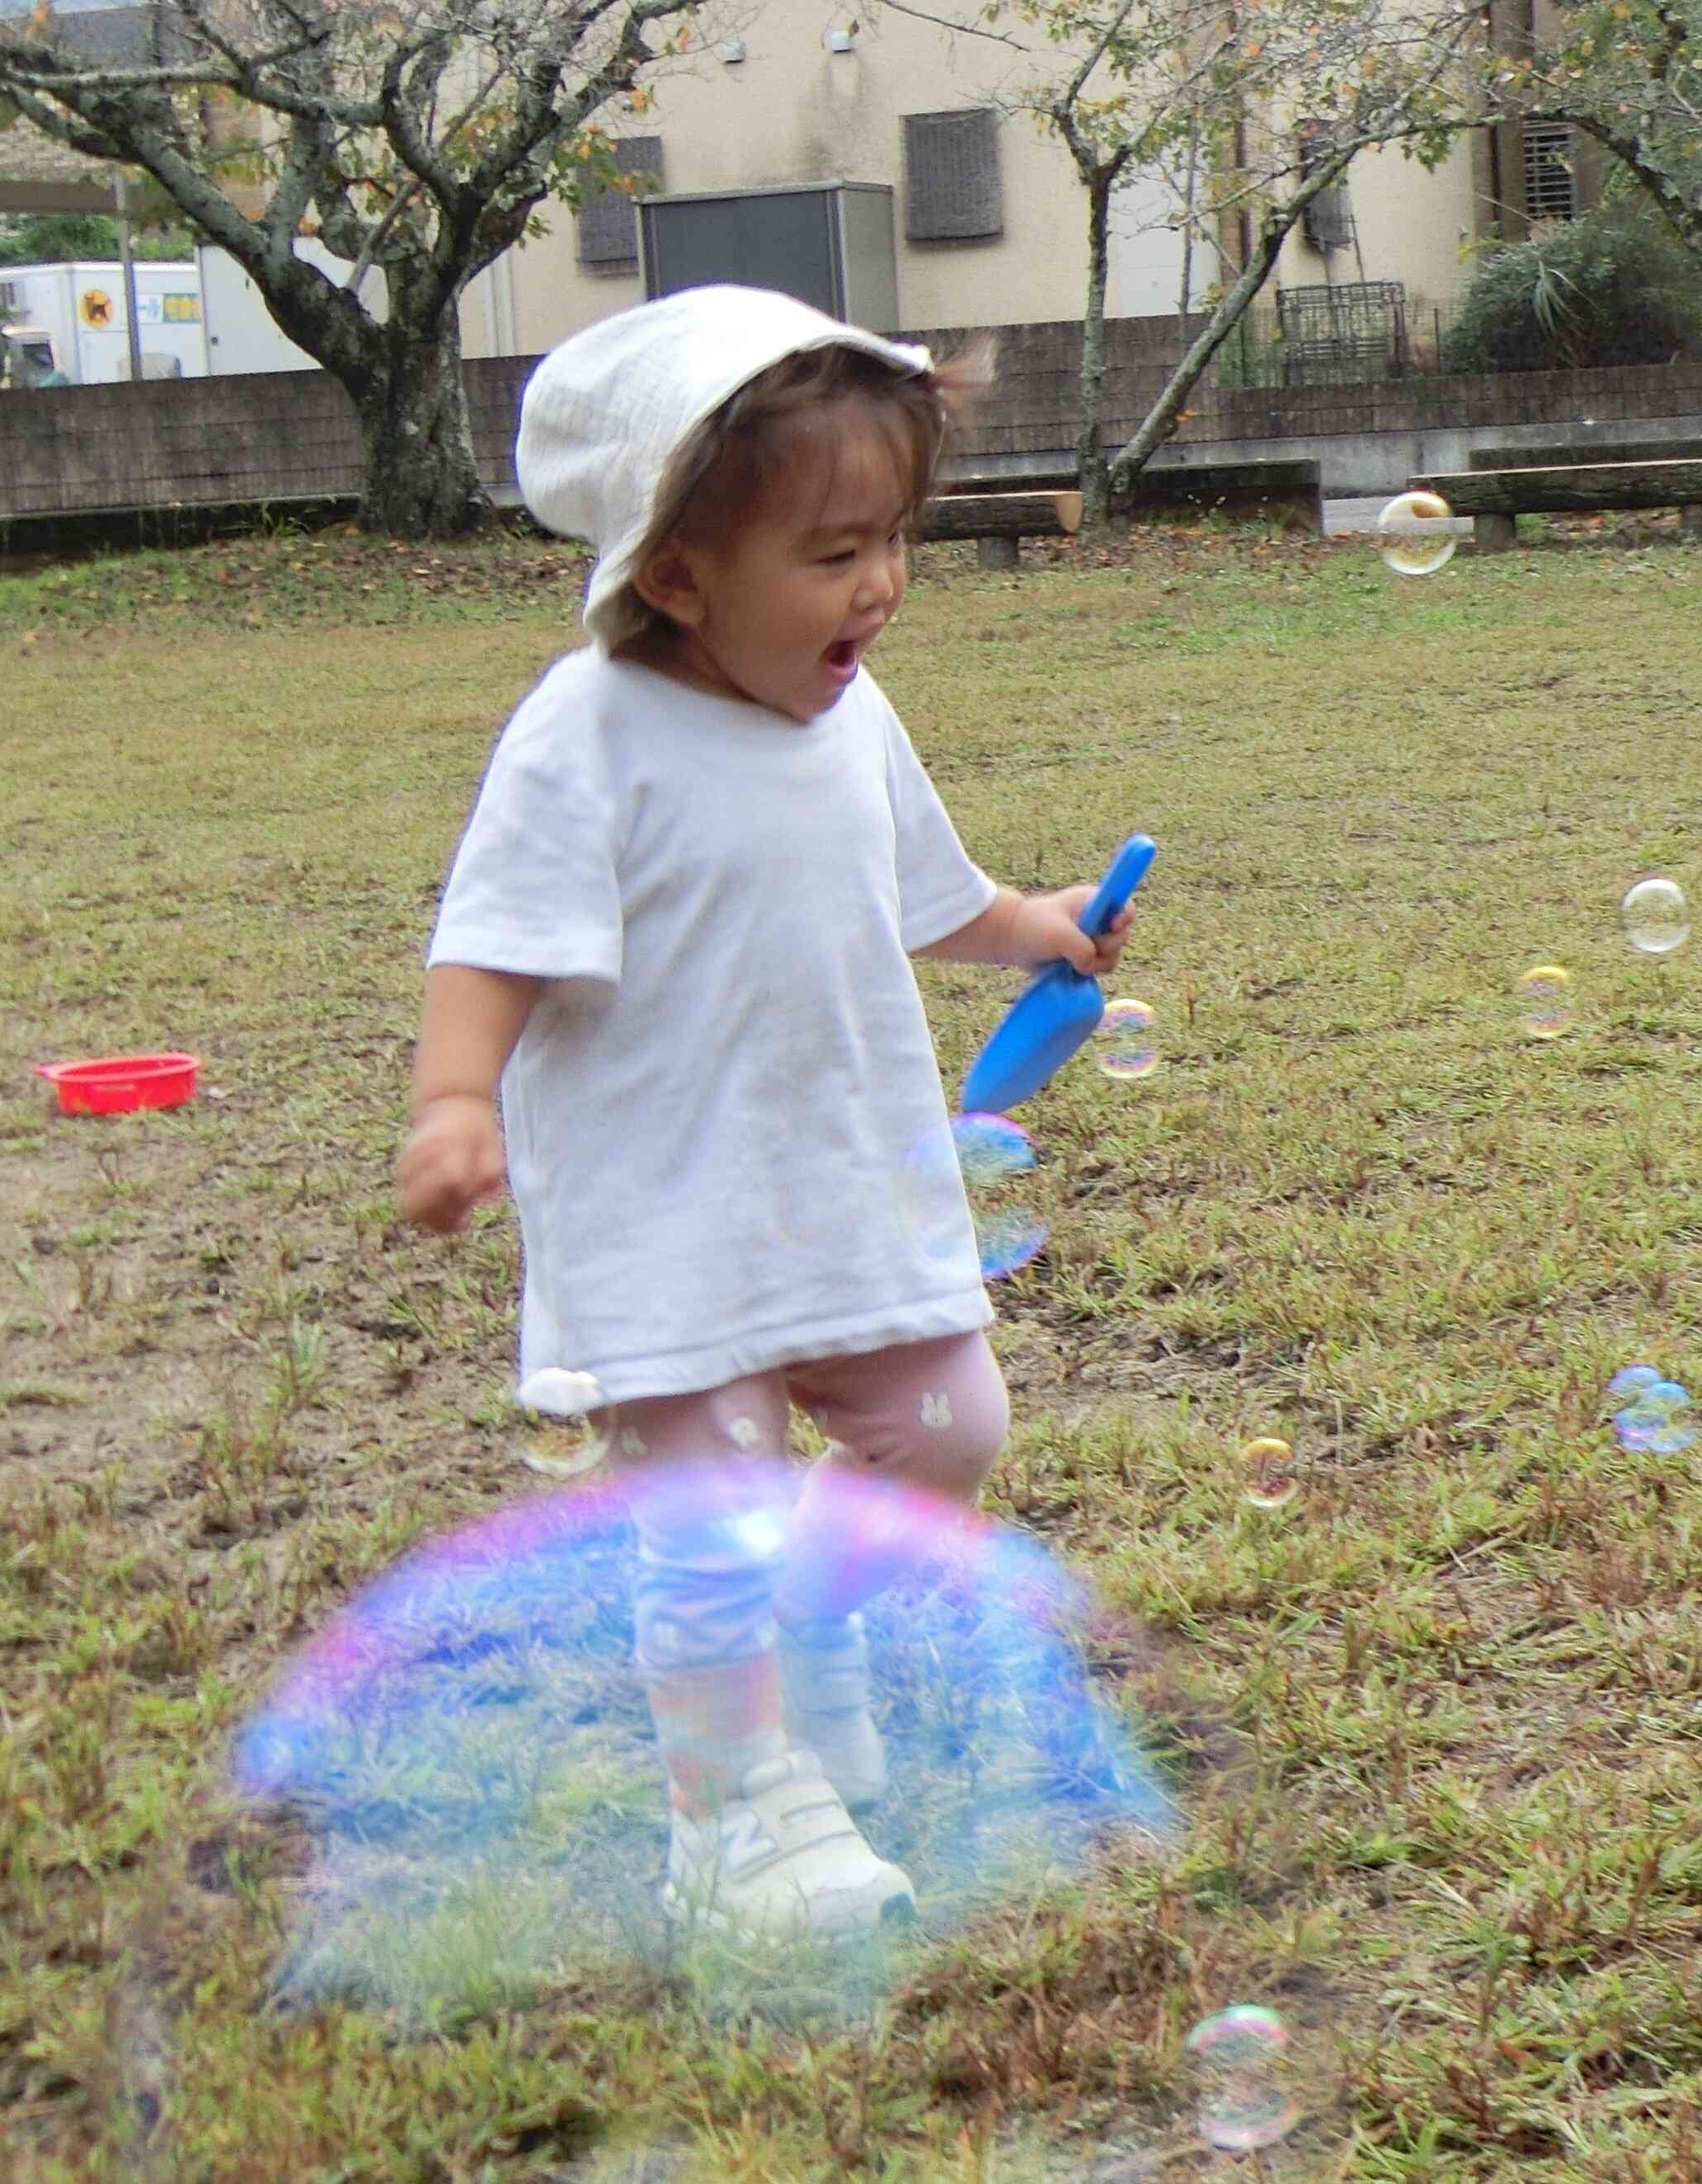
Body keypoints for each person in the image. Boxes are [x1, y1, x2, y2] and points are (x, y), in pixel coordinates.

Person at [393, 285, 1135, 1942]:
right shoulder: (586, 734)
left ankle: (817, 1638)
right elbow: (491, 938)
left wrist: (1039, 922)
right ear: (675, 574)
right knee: (708, 1519)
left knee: (948, 1426)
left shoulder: (850, 711)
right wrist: (453, 1097)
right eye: (827, 552)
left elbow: (924, 889)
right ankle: (728, 1818)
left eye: (889, 541)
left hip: (834, 1172)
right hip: (663, 1208)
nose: (875, 584)